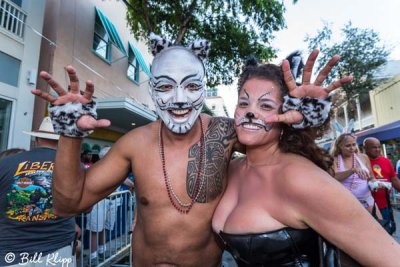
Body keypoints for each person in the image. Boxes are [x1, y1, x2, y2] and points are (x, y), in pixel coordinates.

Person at [31, 33, 352, 266]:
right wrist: (69, 133)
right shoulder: (135, 142)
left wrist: (308, 114)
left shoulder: (226, 132)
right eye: (167, 86)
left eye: (192, 85)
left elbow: (281, 141)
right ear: (153, 90)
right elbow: (67, 204)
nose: (180, 98)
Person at [212, 62, 400, 266]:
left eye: (265, 105)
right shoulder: (232, 169)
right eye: (243, 103)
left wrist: (315, 115)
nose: (251, 112)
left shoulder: (300, 178)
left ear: (287, 116)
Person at [0, 117, 78, 266]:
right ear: (62, 139)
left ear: (36, 138)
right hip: (58, 251)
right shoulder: (74, 166)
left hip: (11, 253)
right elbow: (82, 205)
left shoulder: (6, 162)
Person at [85, 146, 134, 265]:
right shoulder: (96, 168)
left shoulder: (116, 169)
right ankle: (92, 256)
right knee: (95, 229)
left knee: (106, 227)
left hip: (112, 202)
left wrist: (133, 186)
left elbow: (128, 182)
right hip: (98, 202)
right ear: (104, 157)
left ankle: (102, 251)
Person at [331, 133, 380, 215]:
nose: (352, 148)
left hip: (367, 199)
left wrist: (374, 184)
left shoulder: (363, 157)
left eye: (354, 144)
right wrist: (352, 170)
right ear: (340, 147)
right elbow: (333, 178)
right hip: (346, 202)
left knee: (379, 224)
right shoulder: (334, 160)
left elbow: (371, 177)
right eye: (348, 146)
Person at [364, 137, 400, 222]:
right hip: (367, 206)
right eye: (374, 147)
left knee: (387, 230)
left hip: (384, 204)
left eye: (379, 147)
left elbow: (394, 179)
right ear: (365, 148)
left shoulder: (386, 161)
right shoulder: (360, 162)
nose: (377, 149)